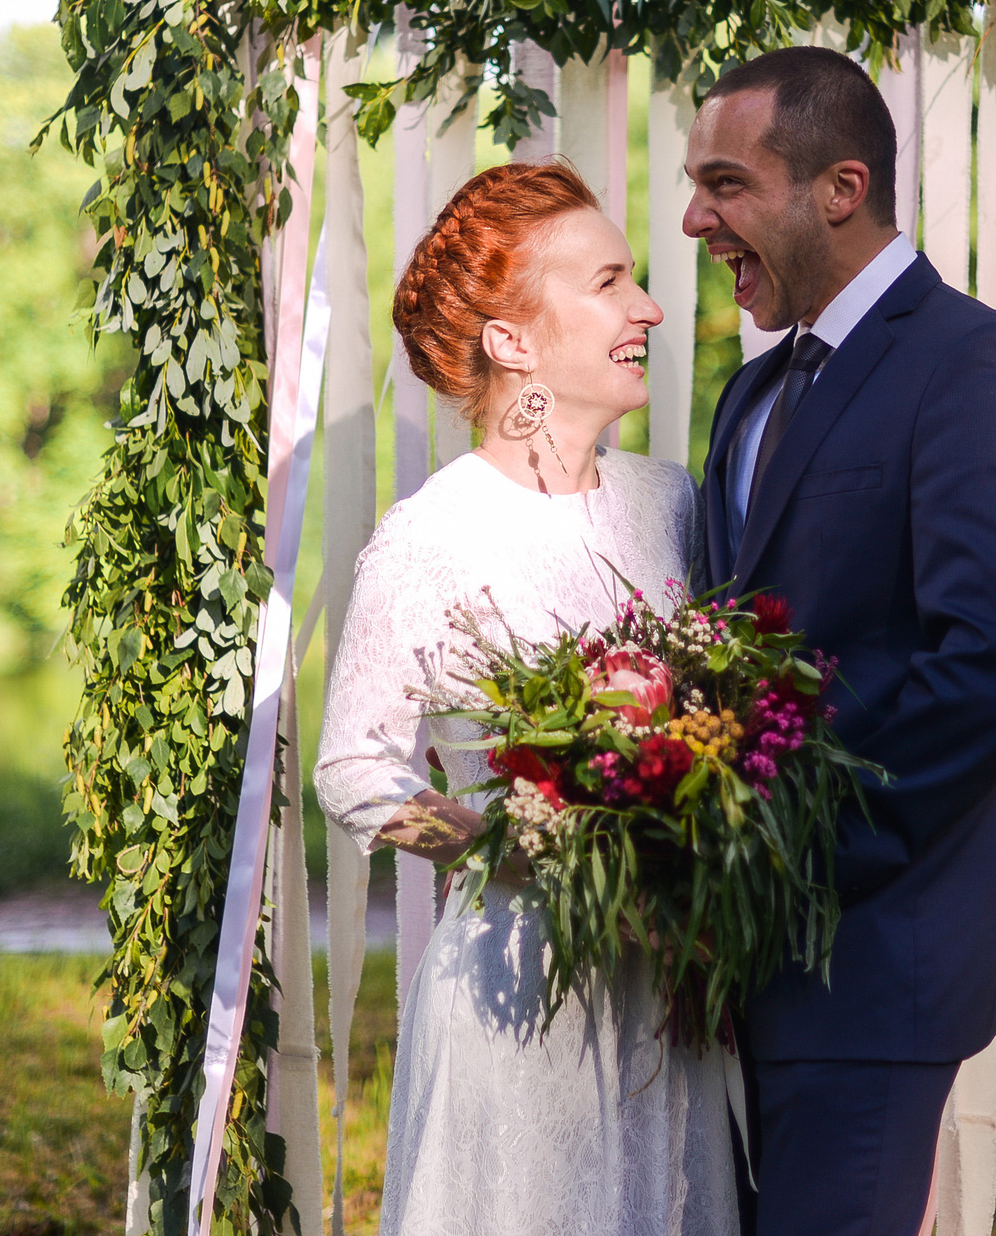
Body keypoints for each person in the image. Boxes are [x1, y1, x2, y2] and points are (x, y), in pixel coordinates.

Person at [684, 46, 996, 1236]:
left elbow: (994, 662)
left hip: (869, 951)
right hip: (731, 969)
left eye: (725, 184)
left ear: (839, 189)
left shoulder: (977, 364)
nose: (696, 219)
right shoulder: (751, 393)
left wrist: (796, 860)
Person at [315, 160, 737, 1236]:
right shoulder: (433, 534)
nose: (648, 307)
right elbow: (354, 770)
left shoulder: (670, 500)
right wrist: (521, 851)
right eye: (609, 282)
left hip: (668, 988)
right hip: (515, 987)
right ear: (512, 339)